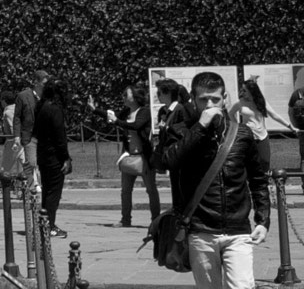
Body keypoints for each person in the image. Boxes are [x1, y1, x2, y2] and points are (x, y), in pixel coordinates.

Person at [158, 71, 270, 289]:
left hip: (238, 229)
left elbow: (258, 180)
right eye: (203, 99)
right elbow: (167, 162)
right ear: (193, 98)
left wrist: (263, 220)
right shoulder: (182, 132)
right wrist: (200, 127)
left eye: (215, 99)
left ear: (225, 98)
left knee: (242, 286)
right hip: (201, 229)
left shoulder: (242, 134)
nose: (210, 104)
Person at [106, 82, 161, 227]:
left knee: (151, 189)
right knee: (125, 191)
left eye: (126, 95)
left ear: (135, 97)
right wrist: (95, 110)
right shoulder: (126, 112)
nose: (123, 97)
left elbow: (136, 125)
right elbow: (115, 119)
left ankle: (156, 220)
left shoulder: (144, 111)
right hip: (129, 156)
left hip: (144, 157)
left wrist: (117, 121)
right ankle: (125, 219)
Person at [34, 80, 71, 237]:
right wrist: (66, 157)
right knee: (53, 193)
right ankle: (49, 226)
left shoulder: (41, 106)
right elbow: (59, 137)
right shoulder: (55, 109)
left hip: (43, 153)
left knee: (47, 191)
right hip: (54, 156)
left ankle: (44, 224)